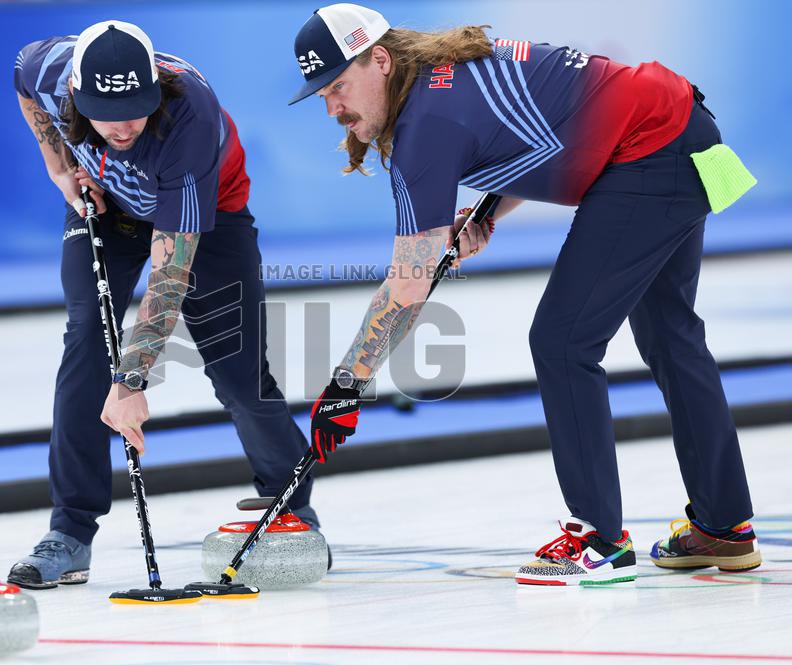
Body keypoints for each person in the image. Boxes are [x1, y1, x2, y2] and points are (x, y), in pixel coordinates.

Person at [290, 3, 760, 585]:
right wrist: (489, 209)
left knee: (563, 341)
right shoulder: (444, 74)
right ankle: (724, 526)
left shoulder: (425, 127)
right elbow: (546, 128)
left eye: (338, 85)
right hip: (680, 129)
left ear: (380, 61)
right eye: (321, 95)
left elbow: (408, 282)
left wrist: (346, 384)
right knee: (670, 336)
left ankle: (600, 540)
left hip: (650, 151)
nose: (333, 108)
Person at [8, 20, 318, 589]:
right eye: (106, 111)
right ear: (76, 92)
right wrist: (58, 166)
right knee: (86, 340)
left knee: (237, 374)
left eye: (136, 108)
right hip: (109, 210)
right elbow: (23, 80)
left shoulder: (189, 116)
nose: (124, 125)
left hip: (208, 219)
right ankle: (70, 531)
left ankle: (291, 513)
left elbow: (170, 274)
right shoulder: (46, 68)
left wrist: (131, 384)